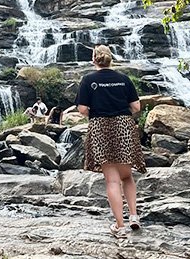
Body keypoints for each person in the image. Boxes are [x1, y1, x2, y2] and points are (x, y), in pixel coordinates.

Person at [75, 45, 144, 239]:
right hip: (124, 125)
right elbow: (136, 106)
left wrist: (97, 113)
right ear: (110, 59)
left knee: (112, 180)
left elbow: (81, 109)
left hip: (100, 126)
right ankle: (133, 216)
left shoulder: (88, 80)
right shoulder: (123, 79)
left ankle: (120, 227)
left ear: (94, 60)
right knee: (127, 176)